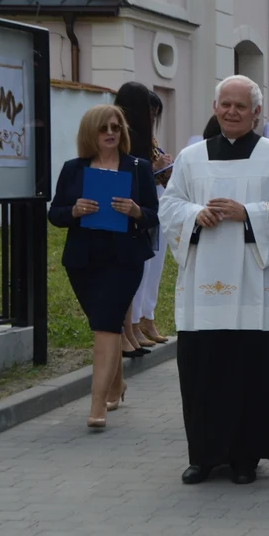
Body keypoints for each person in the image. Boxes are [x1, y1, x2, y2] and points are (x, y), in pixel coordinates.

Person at [160, 75, 269, 485]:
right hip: (203, 286)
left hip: (254, 285)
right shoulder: (191, 158)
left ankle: (247, 457)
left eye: (240, 106)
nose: (231, 112)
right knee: (203, 371)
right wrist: (195, 215)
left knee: (252, 372)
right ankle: (204, 456)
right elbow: (170, 205)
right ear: (214, 107)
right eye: (225, 104)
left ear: (257, 112)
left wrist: (249, 214)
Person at [48, 105, 157, 428]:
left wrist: (137, 210)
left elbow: (154, 214)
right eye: (103, 128)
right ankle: (116, 383)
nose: (111, 133)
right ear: (90, 133)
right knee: (104, 324)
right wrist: (74, 211)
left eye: (116, 127)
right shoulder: (73, 169)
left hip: (124, 260)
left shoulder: (138, 168)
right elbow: (55, 214)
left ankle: (97, 405)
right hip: (83, 261)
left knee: (107, 326)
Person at [114, 81, 159, 358]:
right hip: (122, 207)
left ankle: (129, 330)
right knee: (123, 277)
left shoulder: (138, 136)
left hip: (136, 209)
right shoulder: (123, 133)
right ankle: (122, 332)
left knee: (132, 275)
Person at [133, 90, 172, 346]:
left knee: (155, 266)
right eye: (150, 112)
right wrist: (155, 168)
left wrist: (167, 168)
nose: (153, 117)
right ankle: (134, 321)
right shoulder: (130, 137)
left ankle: (148, 315)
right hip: (140, 206)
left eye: (156, 113)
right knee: (143, 266)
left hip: (158, 204)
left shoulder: (152, 139)